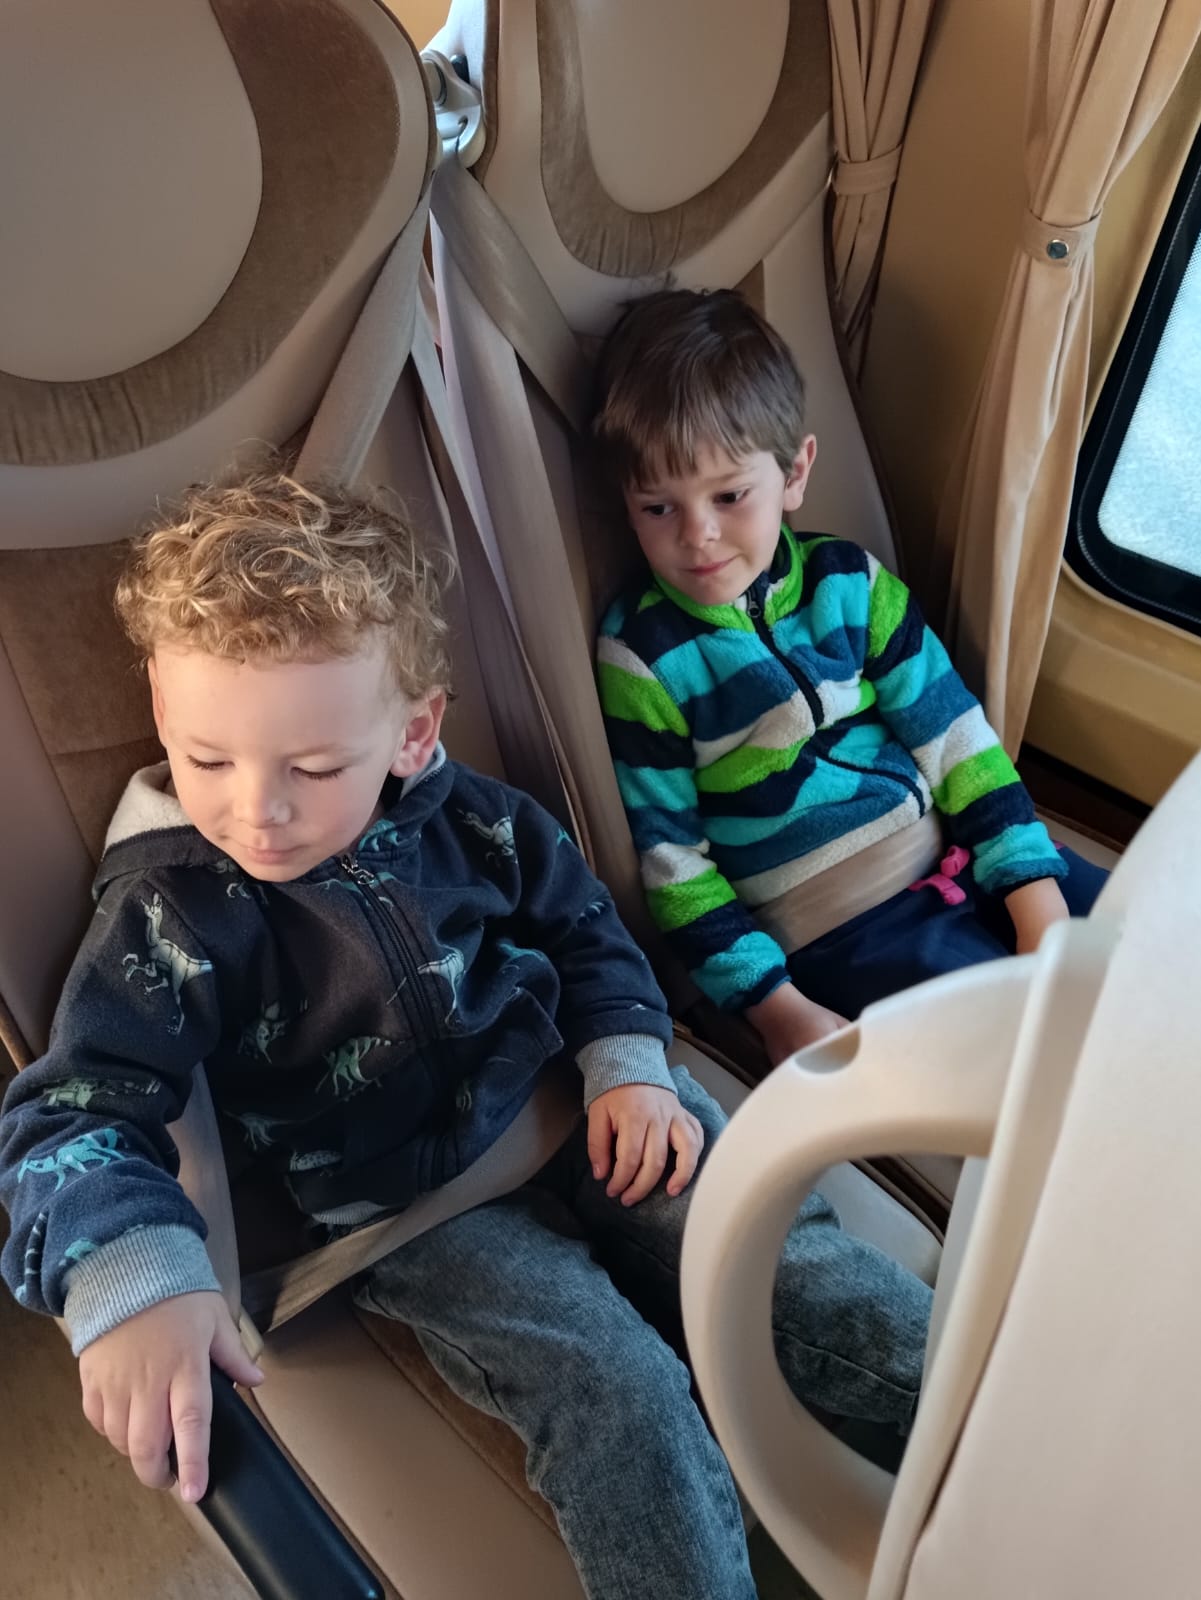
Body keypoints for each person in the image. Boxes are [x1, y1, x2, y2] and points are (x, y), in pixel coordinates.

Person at [0, 472, 930, 1600]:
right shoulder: (168, 914)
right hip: (407, 1214)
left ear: (413, 732)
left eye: (313, 768)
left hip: (576, 1104)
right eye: (209, 759)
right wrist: (129, 1274)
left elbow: (582, 926)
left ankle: (1011, 1448)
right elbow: (73, 1110)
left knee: (795, 1262)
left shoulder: (473, 818)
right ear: (160, 707)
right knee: (614, 1391)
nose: (257, 810)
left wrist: (628, 1061)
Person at [594, 288, 1107, 1066]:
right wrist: (776, 1010)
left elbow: (956, 742)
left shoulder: (849, 584)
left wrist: (1031, 894)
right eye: (656, 508)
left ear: (794, 472)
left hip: (959, 852)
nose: (697, 535)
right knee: (1022, 1057)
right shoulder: (642, 657)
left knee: (1143, 940)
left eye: (729, 495)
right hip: (844, 929)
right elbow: (673, 864)